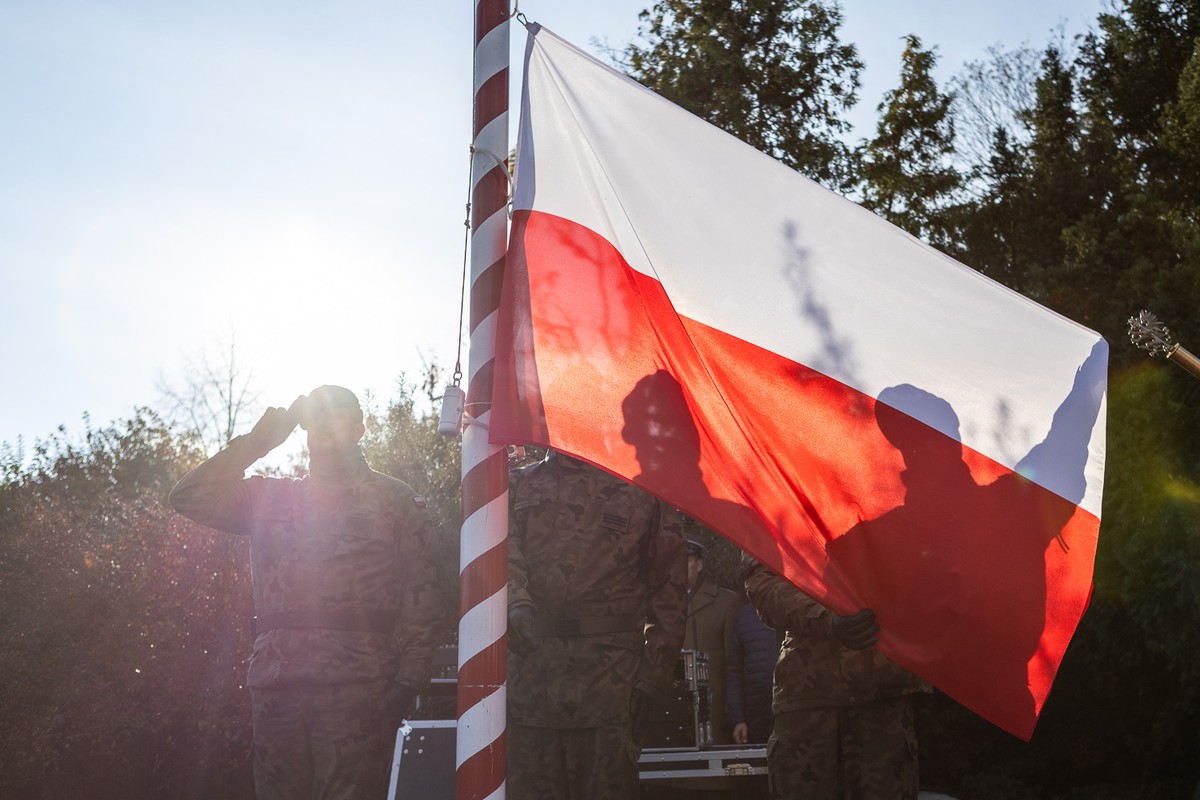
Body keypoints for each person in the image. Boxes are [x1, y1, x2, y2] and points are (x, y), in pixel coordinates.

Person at [169, 385, 444, 800]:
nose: (323, 424)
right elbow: (189, 497)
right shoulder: (271, 497)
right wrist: (261, 441)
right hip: (278, 688)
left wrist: (409, 683)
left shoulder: (394, 499)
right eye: (315, 416)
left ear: (359, 429)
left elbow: (424, 595)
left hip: (357, 689)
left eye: (335, 415)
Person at [506, 449, 687, 799]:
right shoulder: (517, 484)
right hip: (530, 685)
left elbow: (670, 591)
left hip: (608, 687)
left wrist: (652, 679)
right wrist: (515, 603)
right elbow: (497, 552)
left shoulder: (641, 491)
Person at [741, 554, 928, 799]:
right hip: (811, 699)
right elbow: (763, 582)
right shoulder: (785, 514)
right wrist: (824, 619)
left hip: (883, 695)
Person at [682, 539, 742, 745]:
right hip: (671, 716)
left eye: (685, 561)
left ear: (698, 565)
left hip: (715, 714)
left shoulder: (726, 603)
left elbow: (735, 665)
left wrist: (735, 714)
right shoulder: (659, 606)